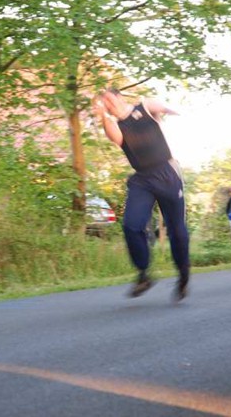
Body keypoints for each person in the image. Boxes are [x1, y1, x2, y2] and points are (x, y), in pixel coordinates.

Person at [94, 88, 190, 301]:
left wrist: (174, 112)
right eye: (104, 103)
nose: (108, 105)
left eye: (109, 99)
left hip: (166, 173)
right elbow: (115, 137)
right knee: (131, 225)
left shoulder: (144, 106)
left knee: (176, 229)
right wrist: (103, 115)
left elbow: (162, 107)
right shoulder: (116, 124)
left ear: (119, 96)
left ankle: (183, 273)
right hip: (142, 179)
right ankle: (144, 273)